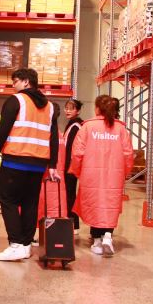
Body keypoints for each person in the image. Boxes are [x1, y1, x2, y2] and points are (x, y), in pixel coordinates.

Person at [0, 68, 60, 261]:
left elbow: (3, 129)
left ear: (26, 81)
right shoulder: (50, 107)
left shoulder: (16, 101)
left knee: (7, 200)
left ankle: (16, 244)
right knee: (30, 203)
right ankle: (26, 245)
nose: (13, 85)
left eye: (16, 81)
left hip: (16, 160)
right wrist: (52, 164)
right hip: (38, 164)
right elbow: (53, 138)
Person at [70, 96, 134, 257]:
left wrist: (77, 171)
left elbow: (77, 153)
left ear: (97, 108)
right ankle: (107, 236)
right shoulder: (120, 129)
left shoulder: (87, 127)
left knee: (94, 204)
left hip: (90, 174)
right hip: (114, 175)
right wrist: (124, 172)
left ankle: (97, 240)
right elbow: (128, 154)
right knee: (109, 204)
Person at [63, 99, 84, 235]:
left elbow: (73, 150)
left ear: (78, 111)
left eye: (71, 108)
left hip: (70, 167)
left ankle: (73, 224)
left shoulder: (75, 126)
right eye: (66, 108)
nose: (68, 111)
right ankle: (71, 222)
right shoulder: (72, 124)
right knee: (69, 194)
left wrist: (69, 167)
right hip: (69, 166)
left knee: (70, 195)